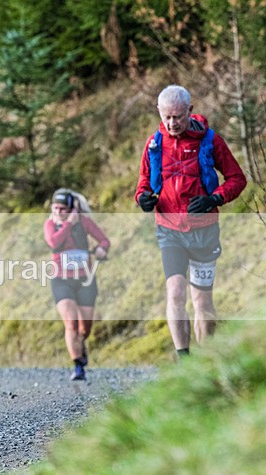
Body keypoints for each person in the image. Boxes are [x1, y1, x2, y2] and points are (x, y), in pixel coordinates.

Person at [135, 85, 247, 359]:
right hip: (169, 230)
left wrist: (214, 199)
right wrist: (143, 200)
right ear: (159, 113)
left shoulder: (210, 141)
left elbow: (237, 179)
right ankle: (184, 359)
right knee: (175, 291)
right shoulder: (154, 144)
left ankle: (206, 363)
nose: (172, 124)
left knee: (202, 302)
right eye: (166, 117)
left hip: (204, 232)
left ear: (190, 111)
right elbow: (141, 187)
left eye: (178, 117)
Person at [44, 189, 110, 381]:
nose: (58, 212)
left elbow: (104, 240)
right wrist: (67, 224)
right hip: (61, 279)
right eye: (55, 208)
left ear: (73, 209)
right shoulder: (50, 224)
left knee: (84, 328)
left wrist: (101, 249)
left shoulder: (85, 223)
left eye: (63, 209)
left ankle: (81, 345)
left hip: (85, 279)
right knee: (70, 323)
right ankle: (78, 366)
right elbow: (53, 242)